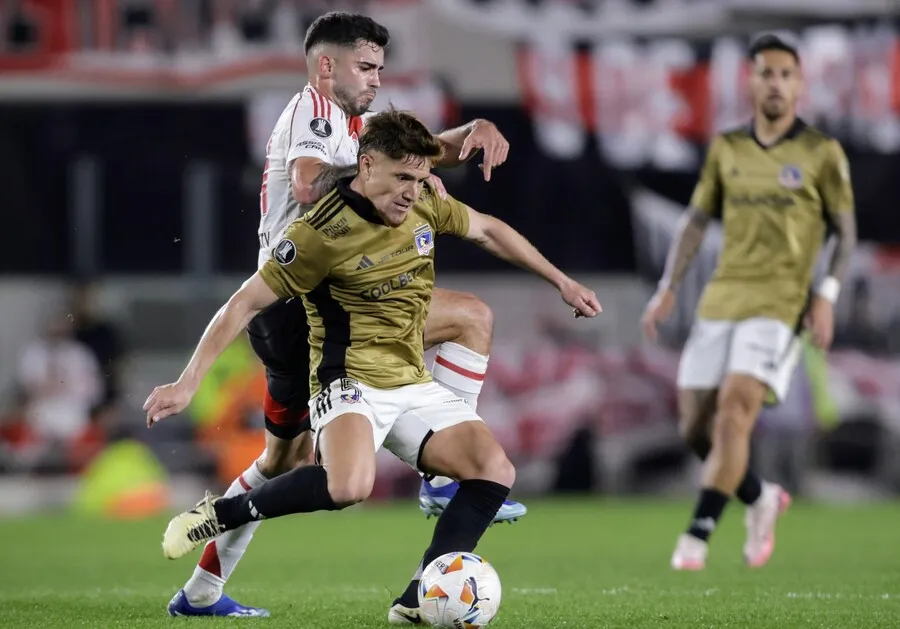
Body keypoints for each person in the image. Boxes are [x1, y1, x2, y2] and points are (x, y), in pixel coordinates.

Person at [144, 109, 601, 624]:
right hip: (349, 382)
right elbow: (244, 303)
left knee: (495, 473)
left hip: (409, 377)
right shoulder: (322, 232)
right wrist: (187, 383)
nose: (412, 190)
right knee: (348, 487)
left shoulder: (426, 201)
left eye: (420, 177)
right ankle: (217, 514)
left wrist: (561, 281)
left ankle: (418, 595)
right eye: (401, 177)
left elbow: (489, 230)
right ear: (365, 166)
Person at [163, 11, 525, 618]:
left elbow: (416, 155)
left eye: (381, 67)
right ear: (326, 65)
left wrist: (471, 131)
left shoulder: (354, 124)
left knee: (283, 462)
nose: (376, 78)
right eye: (365, 66)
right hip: (299, 307)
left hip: (301, 308)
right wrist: (379, 179)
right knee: (468, 319)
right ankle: (439, 477)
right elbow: (308, 184)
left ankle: (200, 593)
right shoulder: (315, 110)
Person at [641, 33, 857, 571]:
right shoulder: (727, 148)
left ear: (800, 85)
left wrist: (825, 296)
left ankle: (697, 532)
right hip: (721, 300)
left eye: (787, 74)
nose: (776, 83)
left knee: (736, 413)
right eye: (767, 73)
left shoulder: (821, 153)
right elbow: (694, 221)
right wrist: (668, 286)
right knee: (696, 429)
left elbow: (845, 232)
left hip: (780, 303)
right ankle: (761, 496)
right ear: (752, 81)